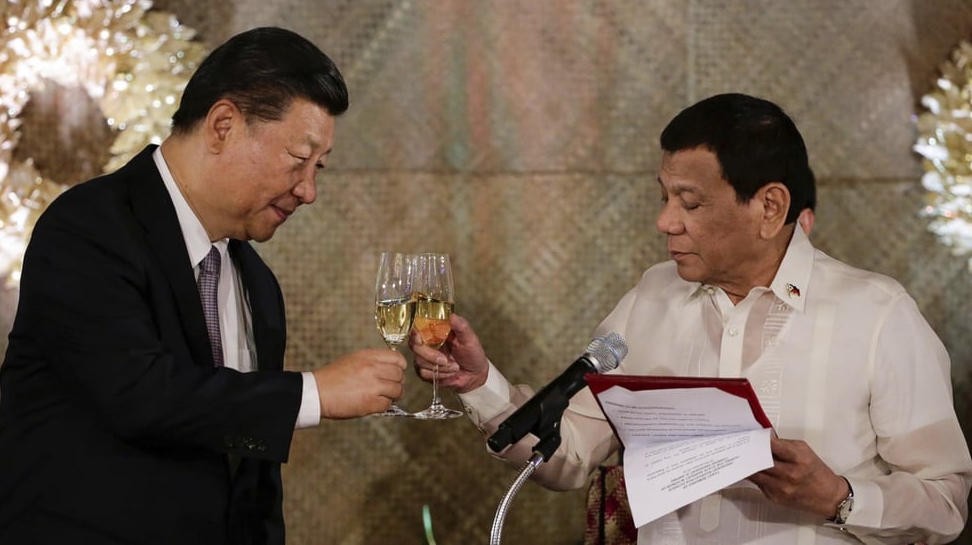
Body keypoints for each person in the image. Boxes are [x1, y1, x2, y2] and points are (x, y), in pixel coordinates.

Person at [411, 93, 972, 543]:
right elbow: (570, 457)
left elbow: (946, 502)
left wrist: (840, 497)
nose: (665, 222)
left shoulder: (876, 314)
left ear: (769, 207)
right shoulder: (652, 296)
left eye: (690, 202)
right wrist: (482, 385)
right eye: (664, 198)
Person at [0, 27, 406, 544]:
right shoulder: (89, 226)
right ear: (223, 125)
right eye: (298, 160)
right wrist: (315, 393)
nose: (309, 190)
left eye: (319, 168)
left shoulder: (257, 284)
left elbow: (251, 487)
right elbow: (139, 394)